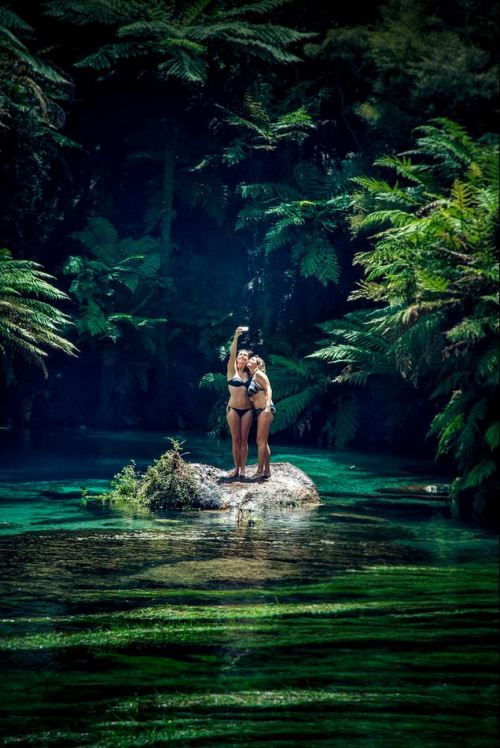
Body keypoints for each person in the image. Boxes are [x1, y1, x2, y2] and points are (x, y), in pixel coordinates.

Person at [225, 327, 253, 479]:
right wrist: (236, 337)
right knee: (236, 439)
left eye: (245, 356)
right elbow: (232, 354)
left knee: (244, 439)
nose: (242, 356)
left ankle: (243, 469)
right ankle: (236, 468)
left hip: (248, 409)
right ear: (237, 358)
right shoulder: (231, 370)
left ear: (248, 360)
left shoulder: (251, 374)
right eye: (240, 355)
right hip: (233, 409)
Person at [247, 356, 276, 480]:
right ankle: (267, 472)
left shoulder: (259, 374)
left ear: (258, 364)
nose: (249, 360)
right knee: (264, 442)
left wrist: (268, 407)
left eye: (252, 359)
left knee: (260, 441)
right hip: (260, 410)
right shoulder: (252, 376)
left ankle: (259, 471)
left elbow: (269, 389)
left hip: (266, 409)